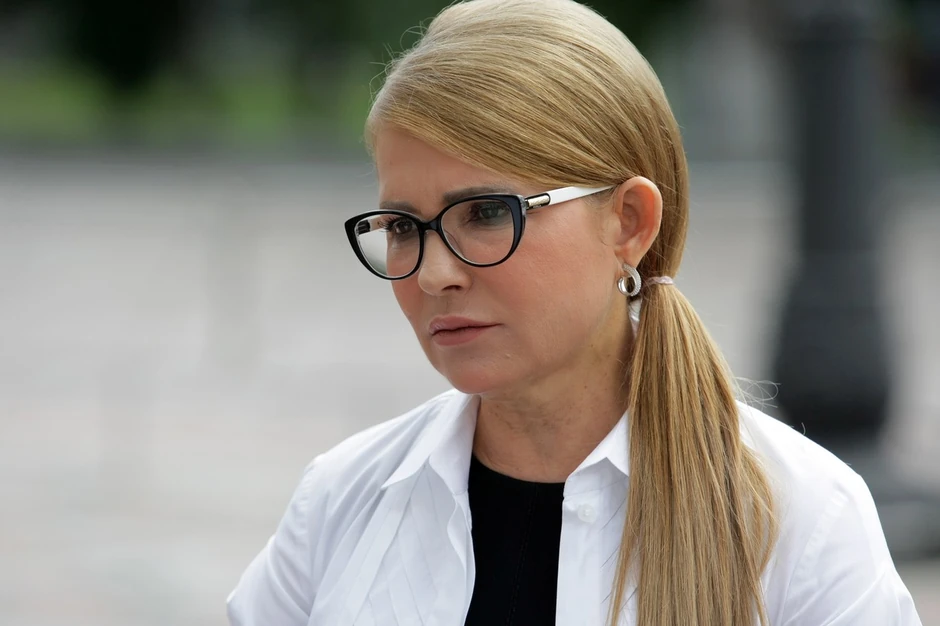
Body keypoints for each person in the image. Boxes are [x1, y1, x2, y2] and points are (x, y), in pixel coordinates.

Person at [226, 0, 923, 624]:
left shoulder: (803, 521)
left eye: (485, 214)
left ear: (629, 221)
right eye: (404, 227)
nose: (434, 274)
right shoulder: (343, 501)